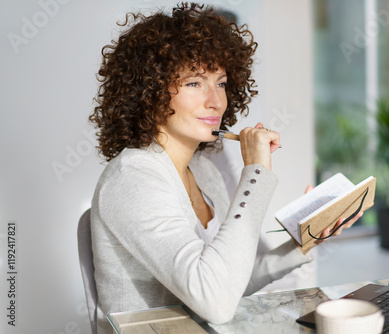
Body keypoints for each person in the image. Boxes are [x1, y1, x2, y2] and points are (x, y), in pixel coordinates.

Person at [88, 3, 360, 334]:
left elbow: (226, 280)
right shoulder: (133, 179)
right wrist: (256, 172)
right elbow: (214, 300)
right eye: (194, 83)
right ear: (150, 91)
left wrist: (302, 244)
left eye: (221, 82)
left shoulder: (204, 172)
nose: (216, 101)